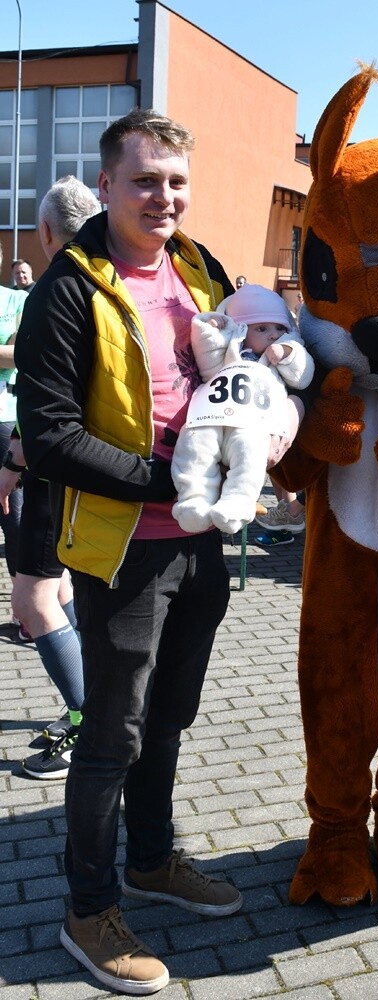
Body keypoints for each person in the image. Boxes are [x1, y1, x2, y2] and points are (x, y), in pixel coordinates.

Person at [15, 108, 251, 996]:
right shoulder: (69, 288)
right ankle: (89, 911)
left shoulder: (199, 268)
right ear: (107, 184)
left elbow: (238, 373)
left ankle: (152, 860)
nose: (163, 197)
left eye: (176, 182)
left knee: (169, 718)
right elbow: (50, 436)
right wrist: (172, 481)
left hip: (202, 541)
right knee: (110, 736)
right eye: (144, 180)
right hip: (126, 550)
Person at [0, 177, 102, 780]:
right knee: (59, 587)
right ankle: (99, 704)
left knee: (32, 599)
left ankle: (89, 721)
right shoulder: (112, 280)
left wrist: (12, 465)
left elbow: (42, 398)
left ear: (45, 232)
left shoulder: (57, 288)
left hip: (55, 467)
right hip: (97, 469)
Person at [171, 283, 313, 535]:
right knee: (195, 444)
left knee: (251, 451)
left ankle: (238, 502)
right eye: (262, 329)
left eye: (280, 328)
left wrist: (288, 352)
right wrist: (211, 330)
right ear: (240, 330)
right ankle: (194, 500)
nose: (273, 335)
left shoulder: (280, 354)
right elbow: (206, 362)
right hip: (210, 414)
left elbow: (302, 376)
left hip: (254, 422)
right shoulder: (229, 351)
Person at [0, 244, 26, 584]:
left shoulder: (15, 300)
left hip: (5, 418)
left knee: (14, 514)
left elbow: (20, 354)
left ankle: (24, 596)